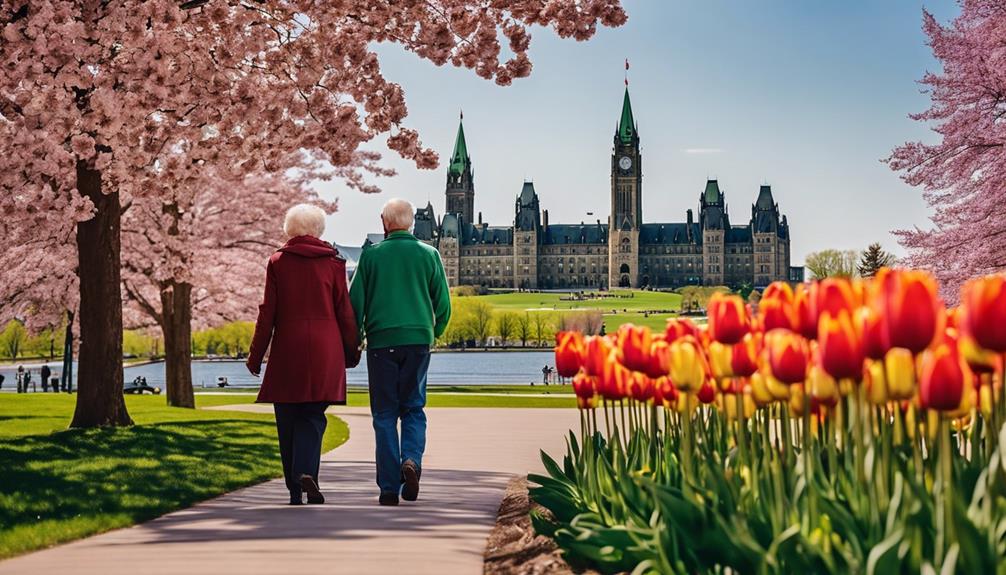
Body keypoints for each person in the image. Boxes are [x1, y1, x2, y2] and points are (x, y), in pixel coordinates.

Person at [247, 204, 360, 506]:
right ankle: (307, 472)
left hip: (288, 349)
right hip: (326, 349)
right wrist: (351, 351)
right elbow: (345, 313)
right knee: (313, 415)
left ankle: (295, 490)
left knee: (286, 419)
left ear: (289, 228)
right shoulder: (334, 264)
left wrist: (256, 355)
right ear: (319, 229)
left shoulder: (277, 262)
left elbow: (267, 312)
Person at [349, 198, 451, 507]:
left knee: (383, 414)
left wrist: (356, 339)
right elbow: (443, 304)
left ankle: (389, 488)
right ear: (410, 224)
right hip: (418, 340)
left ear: (384, 223)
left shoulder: (371, 256)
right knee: (413, 408)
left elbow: (355, 305)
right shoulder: (430, 254)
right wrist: (434, 332)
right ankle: (411, 460)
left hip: (381, 343)